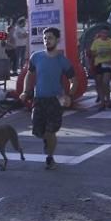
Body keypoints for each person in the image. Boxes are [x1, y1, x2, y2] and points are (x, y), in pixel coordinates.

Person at [20, 27, 77, 170]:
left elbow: (74, 80)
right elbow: (29, 74)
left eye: (50, 38)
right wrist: (25, 91)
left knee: (51, 131)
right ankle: (47, 139)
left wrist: (68, 96)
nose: (47, 40)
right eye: (45, 38)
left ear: (57, 40)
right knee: (39, 131)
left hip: (55, 100)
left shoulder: (62, 60)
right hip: (39, 99)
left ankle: (50, 157)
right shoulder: (36, 57)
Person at [88, 28, 111, 110]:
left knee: (105, 82)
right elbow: (92, 53)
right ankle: (102, 102)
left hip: (107, 63)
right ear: (100, 33)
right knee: (99, 83)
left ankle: (108, 100)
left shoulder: (110, 41)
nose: (104, 34)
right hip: (98, 64)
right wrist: (98, 53)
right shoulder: (96, 42)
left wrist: (108, 52)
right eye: (103, 33)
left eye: (106, 33)